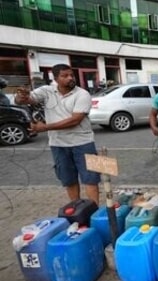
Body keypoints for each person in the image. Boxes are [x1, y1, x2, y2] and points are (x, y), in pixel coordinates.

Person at [14, 63, 101, 205]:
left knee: (90, 178)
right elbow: (24, 100)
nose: (70, 78)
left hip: (83, 144)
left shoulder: (82, 94)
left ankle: (93, 211)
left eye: (71, 75)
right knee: (68, 180)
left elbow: (75, 120)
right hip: (58, 144)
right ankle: (77, 210)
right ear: (55, 78)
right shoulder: (46, 91)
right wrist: (21, 96)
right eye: (65, 76)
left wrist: (45, 127)